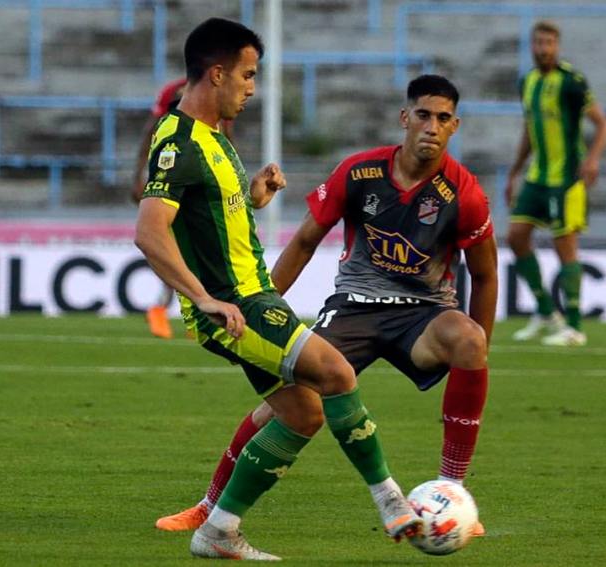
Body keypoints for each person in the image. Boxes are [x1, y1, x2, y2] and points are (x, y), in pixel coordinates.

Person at [154, 74, 498, 539]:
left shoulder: (465, 193)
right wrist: (262, 310)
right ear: (405, 118)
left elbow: (485, 274)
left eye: (442, 118)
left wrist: (482, 347)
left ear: (454, 126)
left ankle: (453, 494)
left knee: (469, 341)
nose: (431, 127)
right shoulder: (359, 173)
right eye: (423, 115)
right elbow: (304, 241)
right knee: (288, 405)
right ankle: (209, 505)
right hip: (354, 307)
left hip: (424, 314)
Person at [135, 18, 422, 560]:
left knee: (303, 413)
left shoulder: (215, 138)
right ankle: (392, 502)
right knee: (337, 373)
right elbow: (150, 233)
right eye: (247, 75)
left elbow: (205, 216)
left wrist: (252, 196)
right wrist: (203, 299)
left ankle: (218, 530)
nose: (251, 87)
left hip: (252, 296)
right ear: (216, 74)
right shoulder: (178, 141)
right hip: (238, 306)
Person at [503, 20, 606, 347]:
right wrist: (514, 172)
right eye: (538, 42)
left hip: (566, 178)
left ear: (557, 46)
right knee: (516, 236)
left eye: (549, 43)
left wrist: (592, 160)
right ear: (531, 46)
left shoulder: (571, 82)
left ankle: (575, 327)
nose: (543, 49)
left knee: (565, 247)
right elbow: (529, 130)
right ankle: (547, 312)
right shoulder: (528, 82)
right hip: (537, 176)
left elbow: (603, 124)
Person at [132, 78, 234, 339]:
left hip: (207, 173)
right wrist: (138, 176)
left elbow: (225, 136)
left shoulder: (225, 91)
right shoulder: (175, 91)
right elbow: (150, 131)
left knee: (199, 248)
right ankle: (166, 308)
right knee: (173, 244)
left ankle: (192, 314)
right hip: (176, 174)